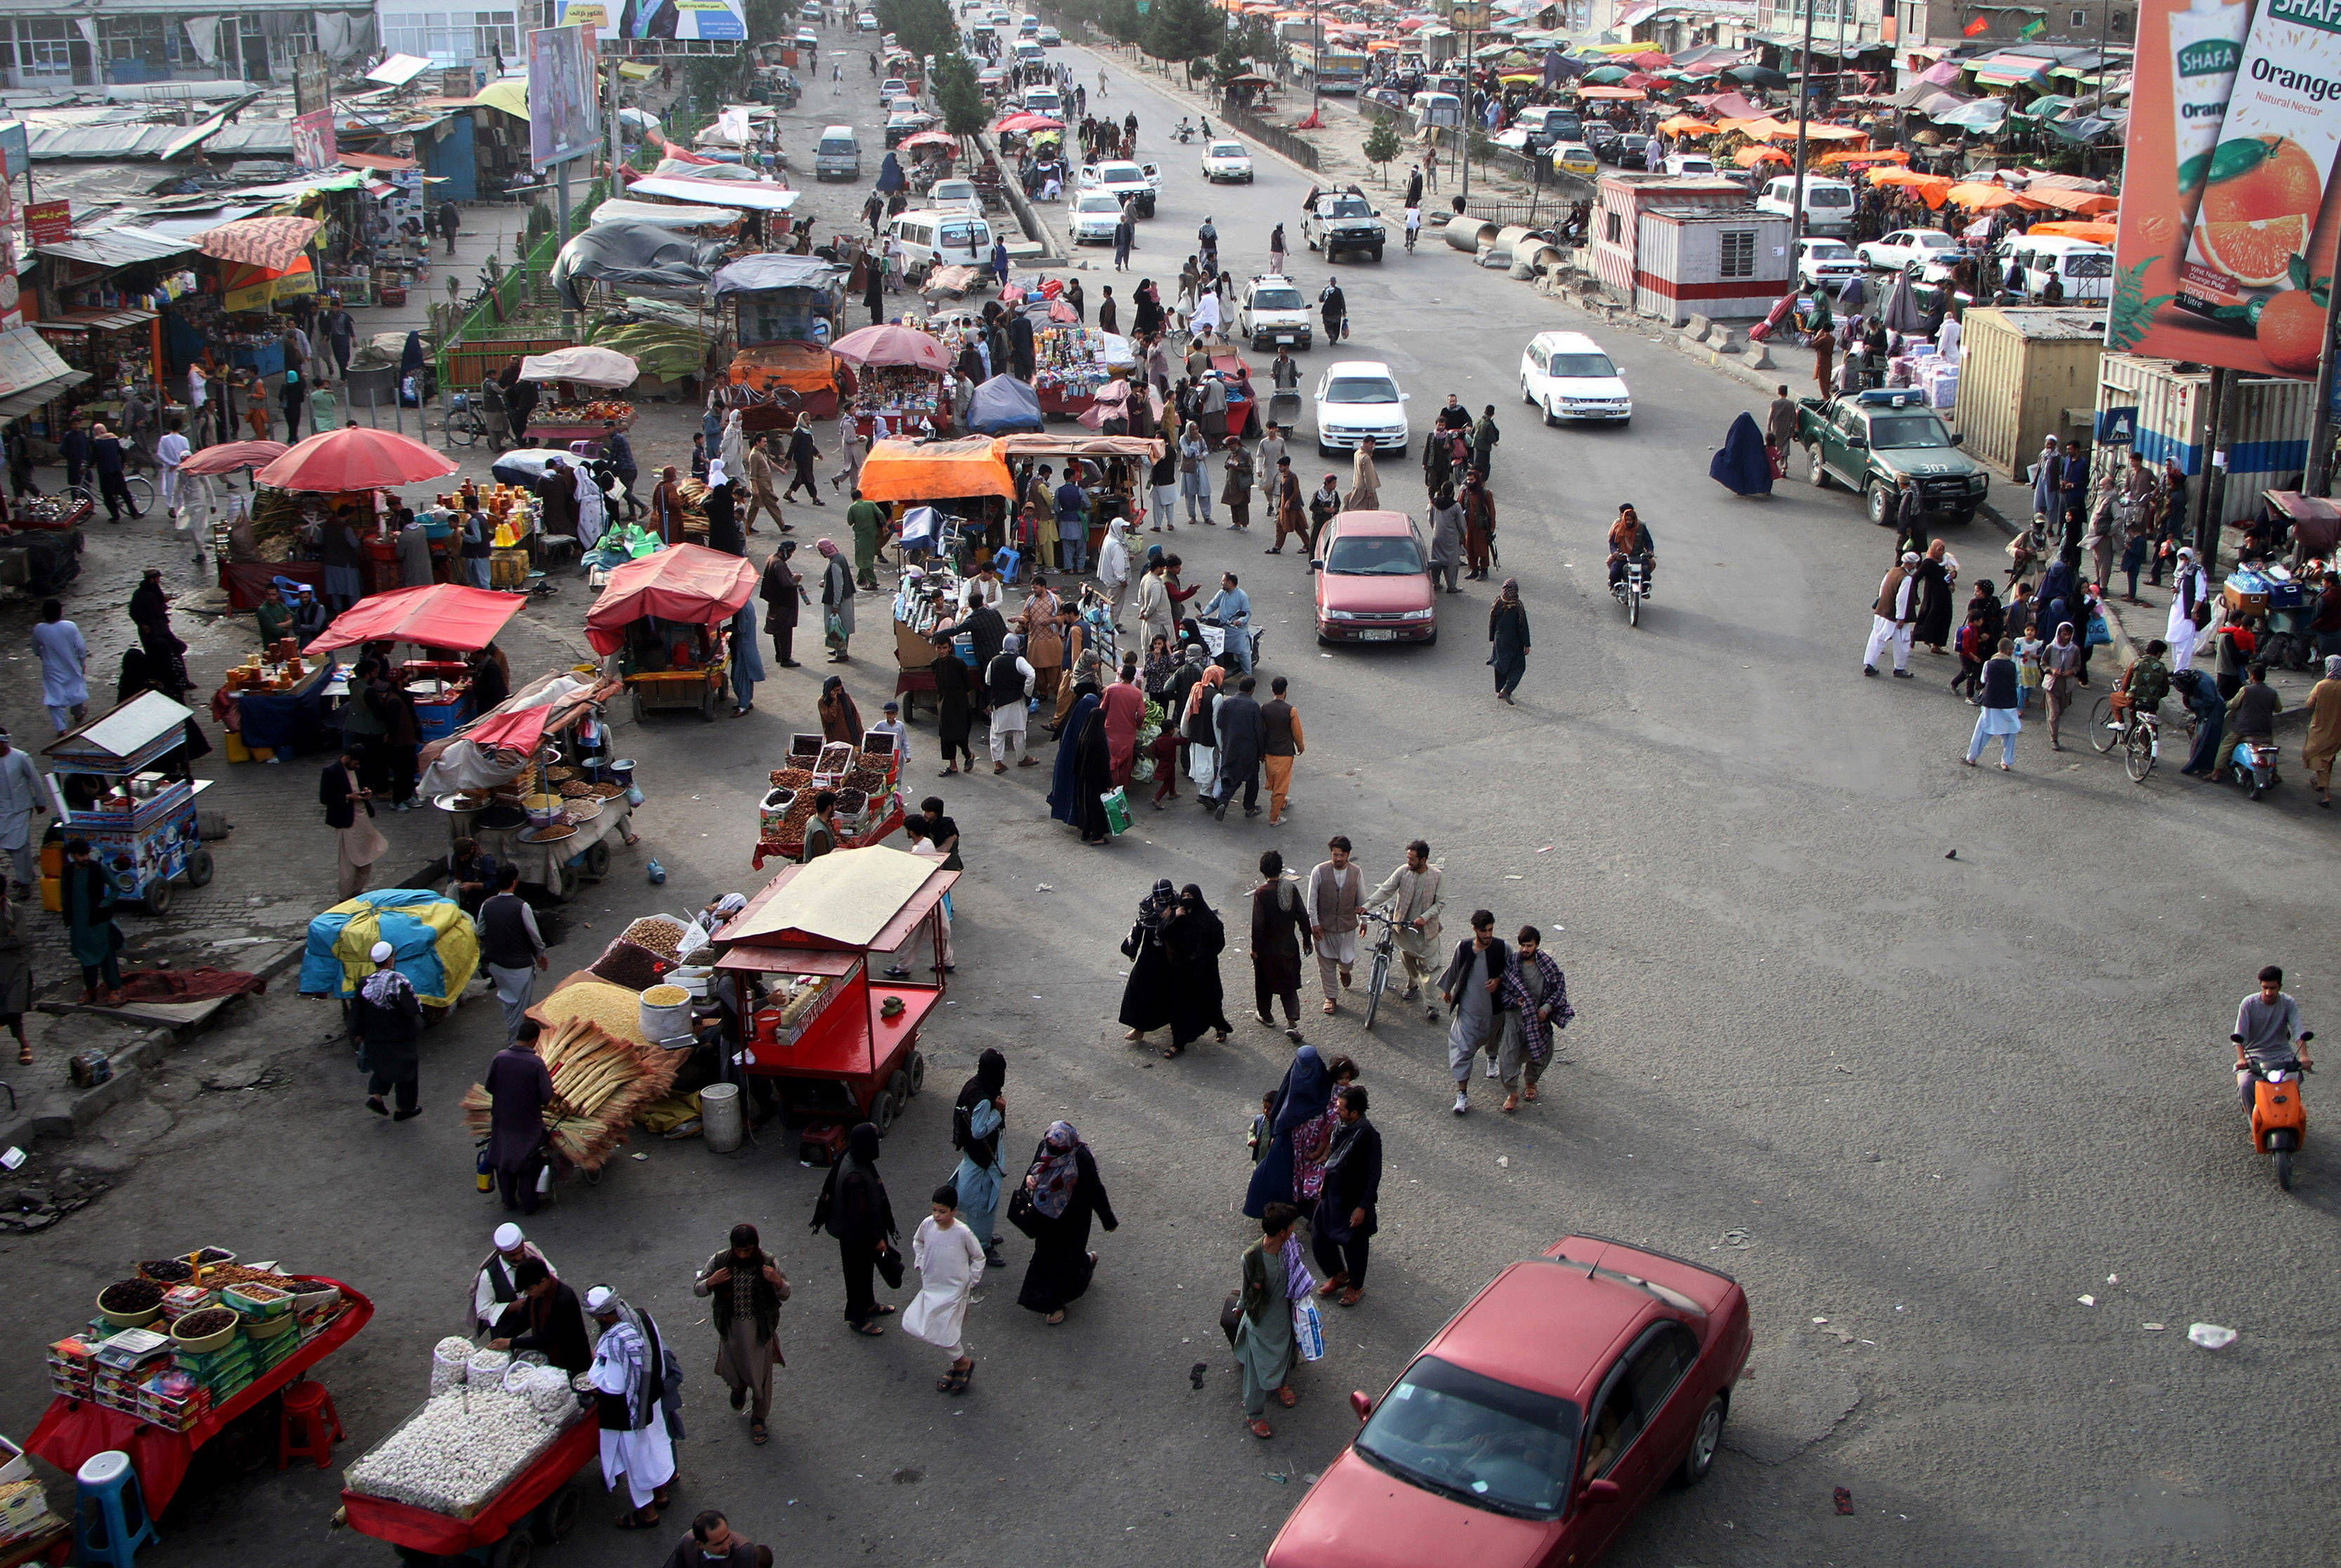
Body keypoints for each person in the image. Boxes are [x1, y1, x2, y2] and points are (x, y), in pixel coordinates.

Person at [585, 1285, 678, 1529]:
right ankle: (661, 1494)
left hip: (628, 1413)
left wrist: (596, 1370)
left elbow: (614, 1386)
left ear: (603, 1316)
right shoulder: (641, 1316)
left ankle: (647, 1514)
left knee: (637, 1460)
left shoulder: (615, 1341)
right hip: (652, 1398)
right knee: (655, 1447)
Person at [693, 1223, 789, 1446]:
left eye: (748, 1250)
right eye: (739, 1250)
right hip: (731, 1330)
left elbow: (786, 1292)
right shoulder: (719, 1261)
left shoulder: (768, 1262)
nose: (743, 1255)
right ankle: (738, 1389)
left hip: (760, 1331)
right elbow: (698, 1288)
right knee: (733, 1370)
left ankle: (758, 1418)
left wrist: (776, 1280)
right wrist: (710, 1282)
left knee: (761, 1377)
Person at [1015, 1121, 1116, 1325]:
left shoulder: (1080, 1158)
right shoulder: (1045, 1147)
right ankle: (1056, 1295)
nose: (1051, 1150)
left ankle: (1058, 1301)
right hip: (1046, 1216)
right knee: (1046, 1257)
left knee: (1066, 1260)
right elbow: (1034, 1168)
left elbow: (1096, 1190)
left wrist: (1108, 1219)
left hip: (1073, 1220)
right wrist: (1029, 1179)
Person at [812, 1121, 898, 1334]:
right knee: (857, 1276)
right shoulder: (855, 1178)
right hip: (856, 1237)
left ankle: (868, 1304)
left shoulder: (854, 1156)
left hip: (856, 1233)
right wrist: (877, 1239)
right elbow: (859, 1218)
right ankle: (857, 1319)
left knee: (864, 1272)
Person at [1234, 1202, 1310, 1439]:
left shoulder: (1289, 1249)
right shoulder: (1252, 1257)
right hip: (1261, 1320)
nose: (1294, 1230)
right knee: (1257, 1368)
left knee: (1286, 1352)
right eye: (1291, 1227)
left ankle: (1281, 1383)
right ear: (1282, 1232)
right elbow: (1247, 1290)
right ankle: (1254, 1414)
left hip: (1284, 1315)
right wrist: (1241, 1308)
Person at [906, 1185, 986, 1395]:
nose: (937, 1216)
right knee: (931, 1327)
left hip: (955, 1292)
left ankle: (962, 1364)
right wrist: (921, 1262)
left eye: (942, 1211)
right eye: (934, 1210)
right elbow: (918, 1242)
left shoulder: (963, 1233)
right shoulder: (927, 1225)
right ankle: (959, 1364)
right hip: (932, 1287)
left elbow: (978, 1257)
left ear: (954, 1211)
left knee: (946, 1332)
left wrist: (971, 1281)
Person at [1310, 1086, 1380, 1306]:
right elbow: (1333, 1159)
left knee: (1354, 1246)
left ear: (1355, 1113)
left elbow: (1373, 1175)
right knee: (1319, 1236)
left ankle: (1355, 1285)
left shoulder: (1368, 1136)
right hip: (1332, 1193)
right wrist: (1324, 1184)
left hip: (1354, 1200)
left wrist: (1363, 1207)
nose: (1337, 1111)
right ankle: (1338, 1275)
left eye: (1341, 1109)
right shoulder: (1341, 1126)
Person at [1439, 911, 1510, 1116]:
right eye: (1484, 931)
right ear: (1475, 930)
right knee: (1462, 1048)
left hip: (1494, 1010)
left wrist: (1499, 981)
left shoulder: (1502, 948)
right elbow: (1455, 969)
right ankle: (1462, 1094)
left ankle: (1492, 1057)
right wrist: (1447, 990)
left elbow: (1513, 971)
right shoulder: (1464, 948)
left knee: (1493, 1037)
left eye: (1491, 930)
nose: (1488, 935)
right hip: (1469, 1010)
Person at [1367, 840, 1445, 1019]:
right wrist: (1367, 905)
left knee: (1430, 969)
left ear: (1423, 860)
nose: (1409, 862)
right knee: (1409, 962)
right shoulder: (1403, 872)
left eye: (1412, 859)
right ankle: (1412, 984)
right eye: (1408, 858)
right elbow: (1386, 890)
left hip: (1427, 931)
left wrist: (1424, 918)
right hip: (1404, 929)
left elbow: (1440, 903)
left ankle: (1431, 1006)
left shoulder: (1437, 876)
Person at [484, 1022, 555, 1213]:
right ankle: (529, 1204)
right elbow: (547, 1096)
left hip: (501, 1120)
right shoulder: (536, 1064)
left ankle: (508, 1201)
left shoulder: (499, 1058)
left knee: (504, 1157)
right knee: (527, 1162)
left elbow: (489, 1087)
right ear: (534, 1040)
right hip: (528, 1124)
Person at [950, 1049, 1008, 1269]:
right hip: (982, 1156)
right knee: (983, 1201)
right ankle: (981, 1246)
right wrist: (998, 1112)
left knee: (982, 1198)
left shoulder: (974, 1085)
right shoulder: (984, 1099)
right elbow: (978, 1130)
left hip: (974, 1154)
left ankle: (983, 1235)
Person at [352, 940, 423, 1120]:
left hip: (376, 1037)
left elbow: (357, 1012)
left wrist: (358, 1034)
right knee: (407, 1073)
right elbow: (412, 1010)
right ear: (390, 960)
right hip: (400, 1037)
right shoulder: (397, 983)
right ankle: (403, 1109)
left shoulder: (364, 984)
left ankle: (376, 1098)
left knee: (383, 1067)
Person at [478, 865, 548, 1042]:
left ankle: (514, 1037)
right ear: (514, 882)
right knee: (520, 1007)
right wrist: (540, 955)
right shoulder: (522, 907)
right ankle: (516, 1043)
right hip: (519, 967)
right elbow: (535, 936)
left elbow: (480, 931)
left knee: (508, 1002)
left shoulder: (487, 905)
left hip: (496, 965)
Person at [1163, 883, 1232, 1057]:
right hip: (1182, 969)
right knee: (1180, 1005)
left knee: (1211, 999)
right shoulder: (1178, 916)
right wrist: (1173, 918)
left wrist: (1203, 956)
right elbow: (1162, 933)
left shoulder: (1209, 919)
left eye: (1190, 897)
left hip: (1204, 969)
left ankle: (1218, 1026)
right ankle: (1179, 1043)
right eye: (1184, 896)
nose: (1186, 900)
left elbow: (1219, 943)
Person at [492, 1258, 592, 1375]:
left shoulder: (564, 1299)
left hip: (572, 1358)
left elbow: (547, 1339)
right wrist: (501, 1340)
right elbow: (524, 1320)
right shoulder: (537, 1295)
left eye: (530, 1289)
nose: (528, 1294)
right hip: (550, 1354)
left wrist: (510, 1343)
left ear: (543, 1281)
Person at [1251, 850, 1312, 1040]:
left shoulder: (1261, 893)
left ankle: (1266, 1016)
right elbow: (1303, 915)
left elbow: (1258, 925)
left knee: (1264, 983)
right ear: (1280, 868)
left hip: (1267, 950)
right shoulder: (1290, 888)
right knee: (1288, 985)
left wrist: (1255, 948)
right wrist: (1306, 940)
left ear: (1263, 871)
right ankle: (1292, 1021)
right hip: (1288, 947)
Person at [2234, 964, 2313, 1109]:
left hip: (2282, 1056)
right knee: (2245, 1084)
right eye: (2265, 988)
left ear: (2280, 987)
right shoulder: (2248, 1004)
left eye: (2273, 988)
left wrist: (2304, 1056)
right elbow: (2240, 1035)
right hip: (2254, 1057)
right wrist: (2241, 1059)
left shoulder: (2288, 1002)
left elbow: (2298, 1031)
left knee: (2292, 1082)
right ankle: (2254, 1124)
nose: (2268, 992)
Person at [60, 838, 122, 1008]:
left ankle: (115, 989)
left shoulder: (97, 868)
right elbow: (65, 896)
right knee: (85, 956)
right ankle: (90, 990)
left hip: (99, 921)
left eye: (86, 854)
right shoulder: (67, 872)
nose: (85, 858)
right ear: (73, 856)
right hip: (79, 924)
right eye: (81, 855)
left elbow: (116, 888)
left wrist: (105, 904)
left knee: (106, 956)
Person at [1118, 879, 1179, 1046]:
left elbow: (1188, 928)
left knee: (1175, 989)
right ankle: (1139, 1029)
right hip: (1151, 953)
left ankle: (1177, 1024)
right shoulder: (1147, 906)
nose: (1163, 901)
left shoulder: (1180, 905)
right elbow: (1139, 925)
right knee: (1138, 987)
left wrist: (1172, 917)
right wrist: (1132, 949)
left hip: (1174, 955)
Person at [1307, 836, 1364, 1013]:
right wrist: (1314, 924)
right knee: (1325, 963)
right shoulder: (1319, 871)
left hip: (1347, 928)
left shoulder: (1356, 872)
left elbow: (1362, 900)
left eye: (1341, 855)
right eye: (1335, 854)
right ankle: (1330, 997)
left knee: (1346, 960)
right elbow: (1312, 901)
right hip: (1324, 928)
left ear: (1348, 855)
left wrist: (1365, 921)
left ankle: (1345, 971)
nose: (1338, 859)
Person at [320, 746, 384, 899]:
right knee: (348, 861)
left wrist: (365, 793)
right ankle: (345, 895)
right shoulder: (331, 772)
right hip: (346, 821)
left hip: (362, 818)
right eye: (355, 763)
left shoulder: (356, 770)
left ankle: (357, 890)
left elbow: (360, 786)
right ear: (348, 758)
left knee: (366, 857)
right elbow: (325, 799)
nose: (357, 767)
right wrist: (348, 797)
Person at [470, 1222, 554, 1338]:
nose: (519, 1257)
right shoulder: (489, 1275)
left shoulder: (532, 1256)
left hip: (539, 1327)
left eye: (521, 1252)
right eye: (513, 1255)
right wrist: (510, 1307)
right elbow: (483, 1310)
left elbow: (552, 1277)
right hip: (507, 1333)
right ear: (500, 1251)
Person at [0, 731, 46, 900]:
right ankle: (27, 873)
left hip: (21, 809)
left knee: (19, 845)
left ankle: (25, 881)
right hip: (2, 811)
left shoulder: (21, 757)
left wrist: (41, 802)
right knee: (9, 845)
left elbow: (35, 780)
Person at [2227, 661, 2283, 798]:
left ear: (2252, 676)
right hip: (2265, 732)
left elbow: (2232, 704)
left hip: (2244, 730)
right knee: (2270, 750)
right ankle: (2274, 774)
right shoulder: (2272, 692)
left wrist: (2226, 704)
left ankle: (2216, 772)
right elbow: (2278, 709)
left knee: (2225, 746)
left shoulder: (2245, 690)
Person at [983, 632, 1037, 773]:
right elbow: (1031, 674)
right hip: (1017, 701)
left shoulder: (994, 661)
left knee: (997, 733)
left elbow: (988, 680)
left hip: (999, 701)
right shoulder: (1019, 661)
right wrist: (1027, 692)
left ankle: (998, 763)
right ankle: (1022, 758)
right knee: (1019, 731)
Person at [33, 600, 88, 734]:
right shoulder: (70, 626)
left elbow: (35, 647)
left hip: (51, 667)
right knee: (75, 689)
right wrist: (82, 661)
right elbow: (80, 647)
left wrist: (40, 654)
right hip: (70, 663)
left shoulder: (39, 629)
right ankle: (78, 713)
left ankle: (61, 728)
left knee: (54, 696)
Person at [1866, 551, 1923, 678]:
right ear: (1912, 565)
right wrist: (1901, 618)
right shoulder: (1906, 579)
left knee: (1877, 638)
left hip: (1882, 611)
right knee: (1902, 642)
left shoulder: (1892, 571)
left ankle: (1869, 665)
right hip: (1894, 616)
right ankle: (1900, 669)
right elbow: (1901, 600)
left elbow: (1882, 587)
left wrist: (1880, 600)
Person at [658, 1513, 772, 1568]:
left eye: (728, 1537)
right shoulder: (687, 1543)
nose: (727, 1546)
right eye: (718, 1544)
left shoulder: (743, 1552)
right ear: (700, 1545)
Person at [2302, 654, 2341, 807]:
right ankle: (2319, 783)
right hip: (2337, 730)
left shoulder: (2322, 685)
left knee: (2315, 755)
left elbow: (2309, 704)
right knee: (2328, 758)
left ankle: (2326, 795)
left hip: (2320, 729)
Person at [2167, 546, 2212, 674]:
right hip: (2177, 610)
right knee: (2175, 640)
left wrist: (2194, 610)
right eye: (2181, 558)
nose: (2183, 561)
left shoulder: (2197, 571)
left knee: (2185, 642)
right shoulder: (2179, 571)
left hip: (2188, 613)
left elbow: (2200, 594)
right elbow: (2178, 587)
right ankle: (2177, 668)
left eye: (2185, 558)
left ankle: (2182, 670)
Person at [1710, 411, 1773, 496]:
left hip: (1738, 456)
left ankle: (1740, 489)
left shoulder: (1736, 430)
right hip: (1752, 457)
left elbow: (1731, 442)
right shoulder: (1755, 431)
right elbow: (1759, 444)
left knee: (1738, 472)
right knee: (1756, 472)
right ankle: (1762, 488)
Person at [2042, 621, 2083, 749]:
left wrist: (2072, 671)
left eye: (2069, 635)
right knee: (2054, 713)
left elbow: (2078, 665)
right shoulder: (2051, 648)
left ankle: (2053, 723)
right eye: (2064, 634)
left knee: (2061, 710)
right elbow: (2043, 663)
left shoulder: (2074, 649)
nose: (2067, 637)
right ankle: (2054, 739)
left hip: (2066, 685)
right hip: (2052, 684)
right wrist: (2052, 670)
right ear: (2059, 634)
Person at [1489, 579, 1530, 704]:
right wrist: (1527, 644)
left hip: (1499, 639)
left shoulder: (1498, 602)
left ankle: (1499, 689)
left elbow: (1492, 621)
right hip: (1514, 642)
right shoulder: (1518, 606)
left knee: (1500, 664)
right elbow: (1523, 626)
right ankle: (1506, 690)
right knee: (1519, 667)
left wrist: (1492, 638)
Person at [818, 538, 856, 660]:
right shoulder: (840, 558)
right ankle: (839, 649)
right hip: (845, 597)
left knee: (839, 627)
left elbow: (839, 585)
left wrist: (835, 604)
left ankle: (842, 653)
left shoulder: (835, 563)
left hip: (840, 600)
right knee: (841, 625)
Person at [1606, 503, 1654, 593]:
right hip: (1622, 557)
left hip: (1638, 557)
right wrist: (1615, 552)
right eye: (1627, 520)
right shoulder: (1618, 527)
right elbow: (1612, 542)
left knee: (1646, 573)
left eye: (1630, 520)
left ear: (1634, 519)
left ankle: (1644, 591)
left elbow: (1648, 541)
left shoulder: (1641, 527)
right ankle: (1616, 589)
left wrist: (1650, 551)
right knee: (1614, 572)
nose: (1628, 522)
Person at [1427, 485, 1464, 593]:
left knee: (1436, 561)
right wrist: (1463, 536)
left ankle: (1436, 583)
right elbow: (1461, 525)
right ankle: (1451, 586)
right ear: (1452, 492)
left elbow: (1430, 518)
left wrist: (1435, 529)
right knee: (1452, 562)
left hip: (1437, 536)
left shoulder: (1434, 503)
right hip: (1451, 538)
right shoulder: (1456, 506)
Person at [800, 789, 840, 862]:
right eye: (834, 805)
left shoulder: (813, 819)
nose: (835, 808)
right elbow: (822, 859)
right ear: (829, 808)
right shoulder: (819, 832)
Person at [1765, 384, 1798, 467]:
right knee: (1785, 445)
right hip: (1786, 428)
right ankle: (1784, 463)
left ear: (1778, 392)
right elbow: (1794, 418)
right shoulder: (1790, 404)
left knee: (1777, 445)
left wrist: (1769, 427)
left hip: (1776, 427)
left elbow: (1771, 416)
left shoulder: (1775, 403)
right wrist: (1792, 429)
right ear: (1786, 393)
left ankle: (1777, 461)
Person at [1346, 435, 1379, 510]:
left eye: (1373, 445)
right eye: (1370, 444)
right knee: (1370, 508)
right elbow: (1367, 476)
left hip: (1357, 485)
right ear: (1365, 443)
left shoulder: (1357, 453)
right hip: (1364, 489)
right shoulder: (1365, 458)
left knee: (1355, 505)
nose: (1372, 447)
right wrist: (1370, 491)